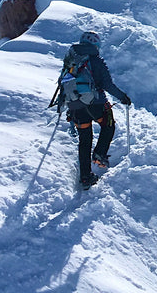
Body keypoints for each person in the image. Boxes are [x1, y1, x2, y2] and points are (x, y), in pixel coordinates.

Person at [51, 30, 132, 189]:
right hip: (96, 104)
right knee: (108, 125)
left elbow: (63, 82)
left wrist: (63, 104)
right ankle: (100, 154)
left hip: (75, 107)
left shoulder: (70, 60)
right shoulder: (96, 61)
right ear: (96, 45)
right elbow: (107, 85)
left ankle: (85, 178)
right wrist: (122, 97)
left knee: (84, 140)